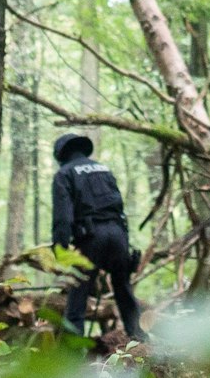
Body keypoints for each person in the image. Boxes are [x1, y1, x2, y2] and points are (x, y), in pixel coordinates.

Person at [52, 133, 143, 341]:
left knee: (78, 295)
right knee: (123, 290)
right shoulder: (104, 170)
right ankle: (139, 342)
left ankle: (72, 354)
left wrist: (60, 248)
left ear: (61, 155)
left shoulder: (64, 174)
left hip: (91, 238)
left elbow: (63, 216)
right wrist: (125, 245)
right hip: (118, 235)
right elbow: (119, 208)